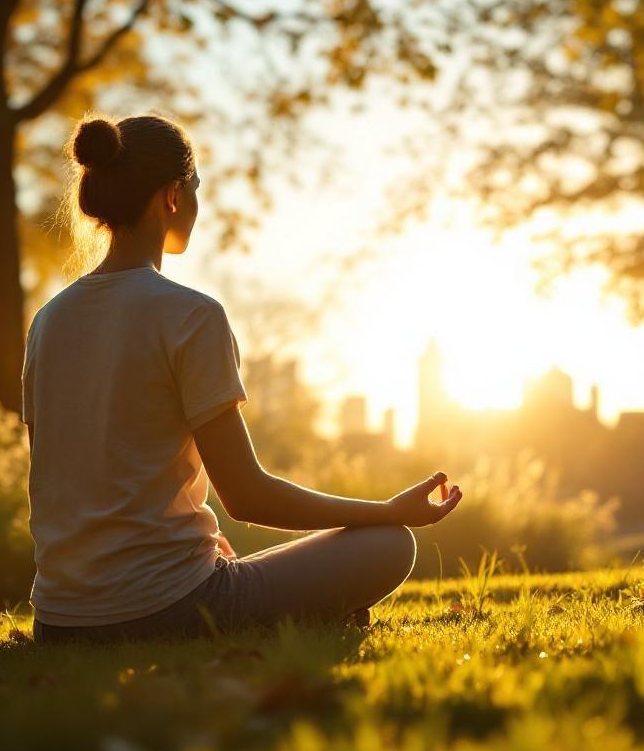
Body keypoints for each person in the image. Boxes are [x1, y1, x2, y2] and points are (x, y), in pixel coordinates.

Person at [24, 112, 463, 643]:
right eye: (197, 189)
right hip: (171, 607)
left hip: (60, 621)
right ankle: (317, 610)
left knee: (248, 561)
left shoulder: (49, 320)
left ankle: (309, 610)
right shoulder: (190, 315)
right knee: (391, 543)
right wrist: (386, 511)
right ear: (172, 196)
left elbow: (70, 480)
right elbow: (247, 496)